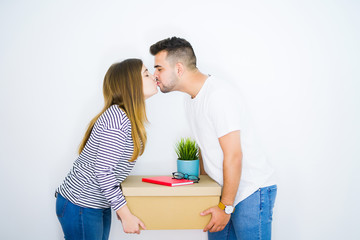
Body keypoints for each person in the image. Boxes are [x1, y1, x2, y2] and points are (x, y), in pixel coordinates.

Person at [150, 37, 277, 240]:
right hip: (222, 191)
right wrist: (203, 188)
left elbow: (233, 154)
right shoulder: (190, 100)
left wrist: (225, 207)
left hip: (250, 192)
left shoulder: (218, 96)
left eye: (159, 68)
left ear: (179, 68)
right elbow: (205, 146)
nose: (154, 75)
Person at [55, 58, 158, 239]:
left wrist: (120, 206)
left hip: (95, 204)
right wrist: (125, 214)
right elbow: (103, 171)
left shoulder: (127, 118)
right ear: (130, 84)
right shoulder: (117, 119)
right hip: (81, 203)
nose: (154, 77)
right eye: (146, 74)